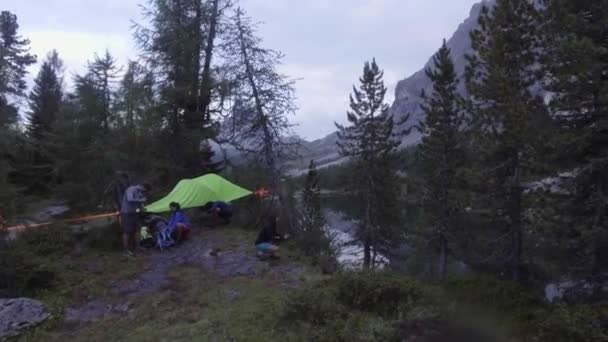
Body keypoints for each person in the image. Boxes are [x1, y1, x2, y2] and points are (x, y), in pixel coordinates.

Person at [120, 183, 150, 257]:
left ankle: (137, 247)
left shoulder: (140, 192)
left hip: (134, 213)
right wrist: (141, 200)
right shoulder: (131, 189)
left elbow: (140, 204)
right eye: (144, 190)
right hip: (126, 213)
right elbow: (130, 199)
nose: (144, 192)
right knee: (126, 232)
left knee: (135, 231)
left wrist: (143, 209)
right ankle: (126, 251)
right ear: (142, 186)